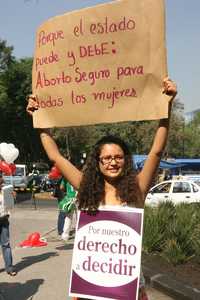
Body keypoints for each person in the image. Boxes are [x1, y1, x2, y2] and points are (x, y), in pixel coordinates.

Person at [26, 77, 177, 300]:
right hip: (90, 288)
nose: (112, 162)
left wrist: (167, 105)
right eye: (106, 158)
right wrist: (38, 119)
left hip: (129, 290)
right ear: (97, 162)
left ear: (125, 160)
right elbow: (55, 155)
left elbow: (155, 151)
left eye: (118, 157)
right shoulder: (85, 186)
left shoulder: (137, 189)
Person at [0, 173, 17, 276]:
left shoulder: (5, 190)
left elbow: (10, 206)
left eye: (1, 177)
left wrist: (13, 197)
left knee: (6, 245)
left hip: (4, 220)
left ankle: (9, 268)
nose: (2, 180)